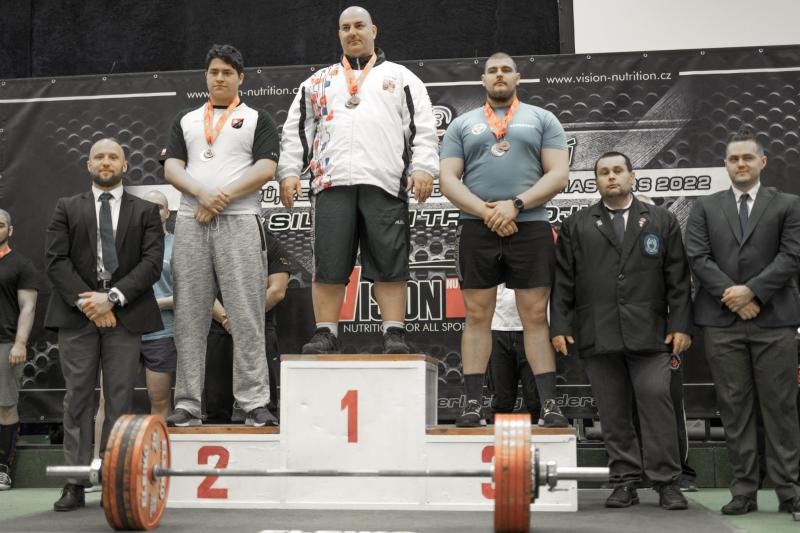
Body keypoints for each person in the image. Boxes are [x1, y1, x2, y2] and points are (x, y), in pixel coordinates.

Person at [277, 5, 439, 355]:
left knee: (390, 262)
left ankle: (393, 333)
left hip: (385, 183)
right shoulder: (317, 81)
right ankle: (326, 332)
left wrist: (424, 167)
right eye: (345, 27)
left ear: (373, 31)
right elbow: (297, 131)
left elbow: (423, 128)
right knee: (328, 263)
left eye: (359, 26)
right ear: (339, 34)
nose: (352, 32)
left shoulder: (402, 77)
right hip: (331, 183)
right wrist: (289, 171)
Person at [549, 151, 691, 510]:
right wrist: (560, 325)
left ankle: (666, 482)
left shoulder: (661, 219)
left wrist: (680, 324)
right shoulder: (576, 224)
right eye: (603, 172)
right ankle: (624, 481)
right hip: (598, 330)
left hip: (652, 333)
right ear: (596, 181)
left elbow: (678, 279)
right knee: (612, 411)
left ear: (632, 177)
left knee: (656, 401)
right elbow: (563, 281)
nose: (611, 177)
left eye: (617, 171)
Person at [439, 52, 569, 427]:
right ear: (483, 80)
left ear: (518, 77)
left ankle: (550, 406)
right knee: (477, 317)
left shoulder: (543, 119)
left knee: (535, 318)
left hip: (530, 225)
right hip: (477, 227)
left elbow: (558, 175)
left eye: (506, 70)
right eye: (492, 71)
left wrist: (516, 205)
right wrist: (488, 213)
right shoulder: (462, 124)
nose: (499, 75)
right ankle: (471, 405)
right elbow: (447, 179)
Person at [163, 44, 280, 427]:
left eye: (227, 72)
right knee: (190, 315)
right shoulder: (186, 120)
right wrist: (202, 194)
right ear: (206, 76)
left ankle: (254, 403)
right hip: (191, 220)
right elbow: (172, 168)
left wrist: (219, 198)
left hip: (240, 220)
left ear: (240, 78)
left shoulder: (257, 119)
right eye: (214, 72)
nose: (219, 78)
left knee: (246, 313)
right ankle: (188, 404)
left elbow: (266, 168)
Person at [685, 128, 800, 518]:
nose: (741, 164)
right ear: (725, 164)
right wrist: (733, 297)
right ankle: (744, 491)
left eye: (748, 157)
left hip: (775, 322)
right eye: (734, 159)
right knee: (734, 409)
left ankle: (789, 491)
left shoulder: (788, 205)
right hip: (722, 323)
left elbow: (791, 256)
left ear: (762, 161)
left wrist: (752, 292)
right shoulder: (704, 207)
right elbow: (698, 257)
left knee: (781, 408)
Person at [45, 138, 163, 511]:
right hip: (76, 315)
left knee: (120, 400)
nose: (106, 162)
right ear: (89, 165)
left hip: (125, 315)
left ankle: (113, 479)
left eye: (113, 157)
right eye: (99, 157)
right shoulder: (66, 207)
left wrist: (110, 298)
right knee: (77, 399)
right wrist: (91, 304)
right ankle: (75, 482)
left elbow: (151, 264)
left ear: (125, 165)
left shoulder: (145, 211)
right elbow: (56, 260)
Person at [204, 227, 292, 423]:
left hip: (258, 328)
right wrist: (227, 320)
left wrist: (242, 319)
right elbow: (200, 289)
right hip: (219, 327)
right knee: (216, 411)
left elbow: (277, 290)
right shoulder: (210, 239)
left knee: (265, 411)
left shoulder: (268, 241)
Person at [0, 210, 39, 491]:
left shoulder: (21, 265)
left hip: (5, 344)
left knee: (5, 407)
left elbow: (28, 307)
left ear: (10, 230)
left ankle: (3, 469)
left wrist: (20, 343)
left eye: (0, 225)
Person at [140, 190, 176, 417]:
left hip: (161, 333)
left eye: (159, 207)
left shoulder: (178, 245)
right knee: (108, 399)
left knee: (160, 399)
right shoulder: (122, 244)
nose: (153, 211)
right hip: (123, 333)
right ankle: (105, 444)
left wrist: (154, 305)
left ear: (168, 213)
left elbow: (188, 295)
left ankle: (161, 443)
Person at [485, 284, 541, 423]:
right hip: (497, 328)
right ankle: (498, 438)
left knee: (536, 400)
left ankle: (539, 436)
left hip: (533, 328)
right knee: (501, 402)